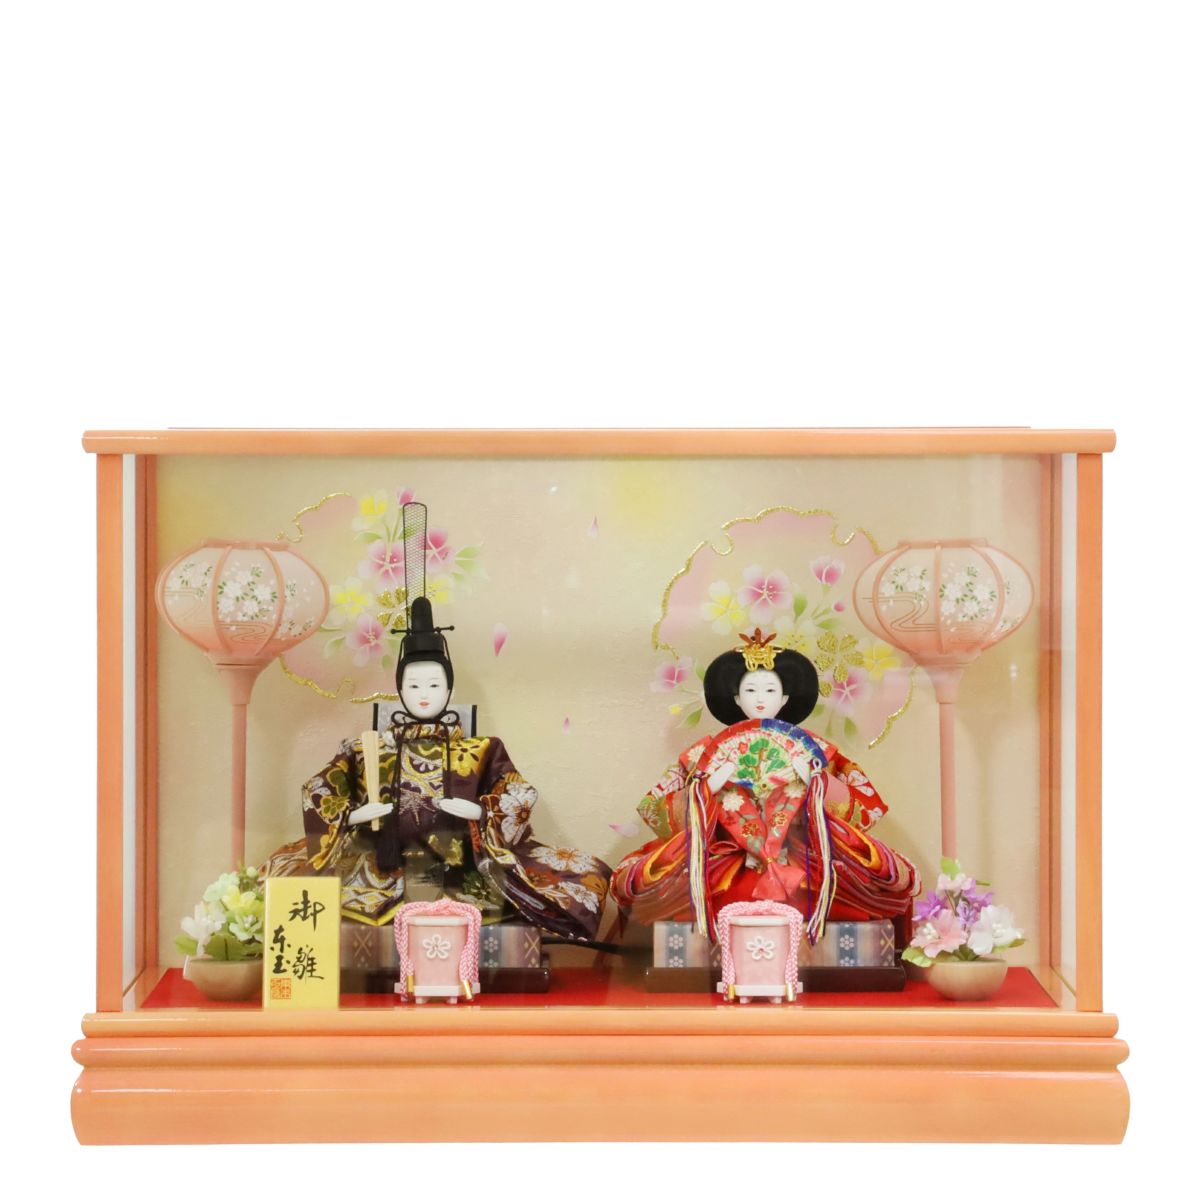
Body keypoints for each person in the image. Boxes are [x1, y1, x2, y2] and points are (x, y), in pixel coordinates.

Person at [264, 594, 610, 941]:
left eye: (434, 685)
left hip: (459, 867)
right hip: (381, 867)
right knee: (282, 880)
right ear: (400, 689)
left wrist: (481, 811)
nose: (424, 694)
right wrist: (354, 815)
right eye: (413, 685)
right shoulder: (366, 748)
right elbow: (319, 790)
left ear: (449, 689)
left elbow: (519, 793)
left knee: (581, 876)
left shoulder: (481, 749)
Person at [612, 629, 919, 940]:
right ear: (736, 697)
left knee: (851, 886)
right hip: (727, 853)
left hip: (800, 851)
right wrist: (705, 789)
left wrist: (817, 782)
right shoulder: (702, 754)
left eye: (770, 690)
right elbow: (654, 810)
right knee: (682, 886)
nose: (760, 699)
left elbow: (864, 808)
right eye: (750, 690)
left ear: (784, 698)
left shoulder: (818, 751)